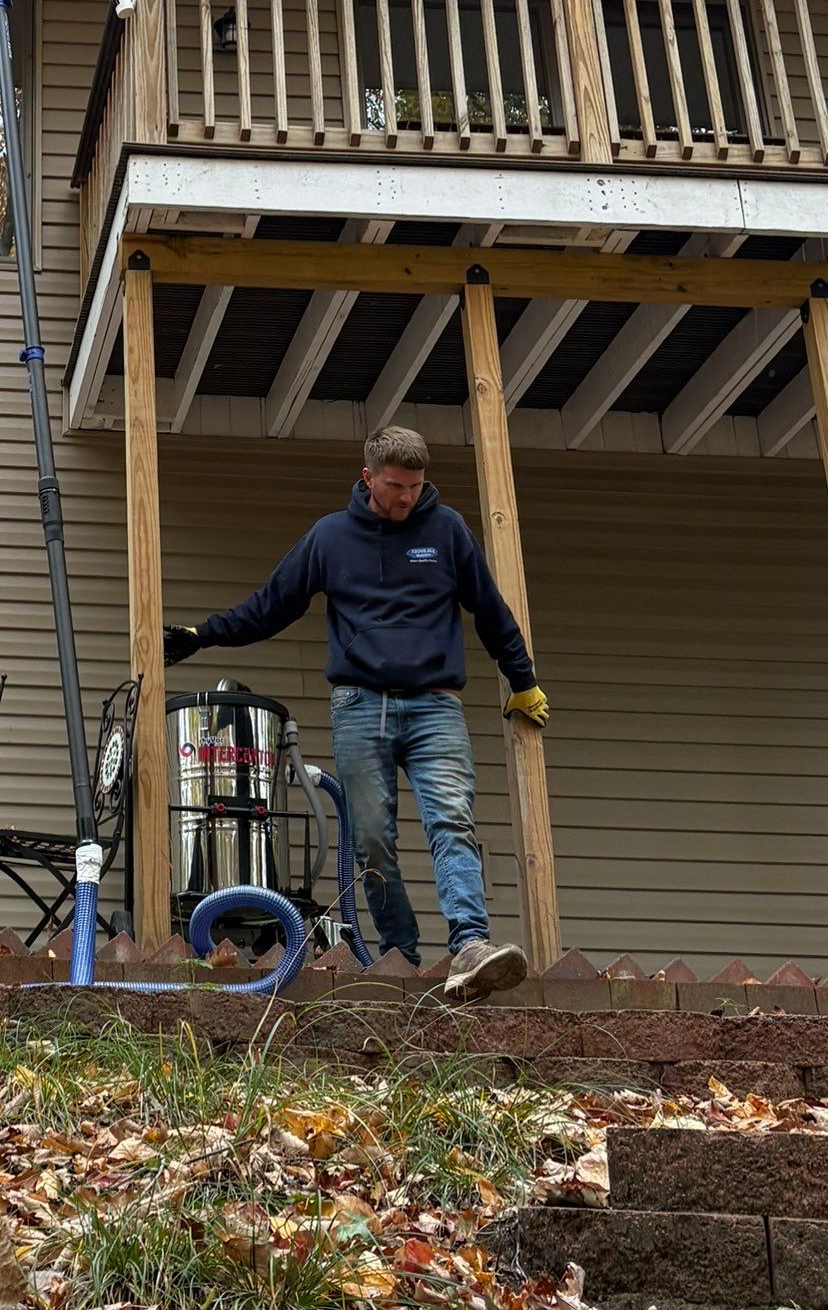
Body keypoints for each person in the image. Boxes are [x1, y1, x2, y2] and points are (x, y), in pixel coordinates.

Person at [162, 424, 548, 1004]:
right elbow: (270, 607)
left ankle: (471, 943)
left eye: (416, 486)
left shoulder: (446, 531)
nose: (406, 498)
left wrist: (523, 681)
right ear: (369, 477)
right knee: (371, 841)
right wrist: (202, 636)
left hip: (434, 706)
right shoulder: (331, 538)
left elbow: (490, 610)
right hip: (359, 706)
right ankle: (402, 956)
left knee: (451, 821)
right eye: (395, 486)